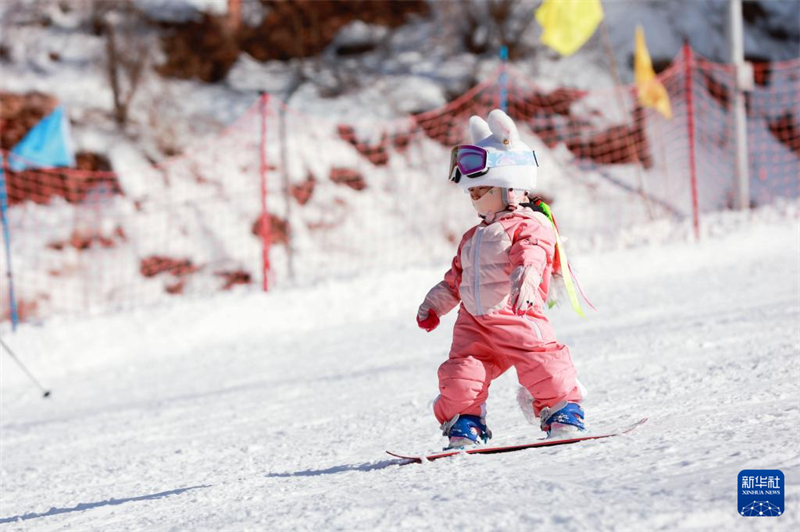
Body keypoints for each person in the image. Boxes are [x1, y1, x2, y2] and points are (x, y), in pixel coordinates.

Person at [416, 109, 590, 449]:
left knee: (543, 364)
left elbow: (533, 254)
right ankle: (465, 422)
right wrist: (433, 303)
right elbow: (456, 278)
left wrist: (526, 281)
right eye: (472, 193)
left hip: (517, 314)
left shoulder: (530, 225)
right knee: (459, 375)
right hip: (474, 325)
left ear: (511, 188)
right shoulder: (472, 236)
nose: (474, 198)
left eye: (481, 191)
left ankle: (563, 411)